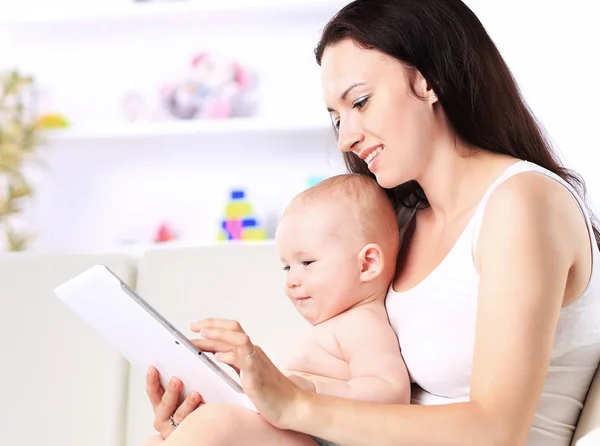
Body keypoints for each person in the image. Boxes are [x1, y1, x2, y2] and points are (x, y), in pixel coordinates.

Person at [143, 0, 600, 445]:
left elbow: (496, 431)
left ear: (429, 81)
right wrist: (241, 403)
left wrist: (293, 405)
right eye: (335, 117)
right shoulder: (398, 223)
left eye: (360, 102)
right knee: (212, 428)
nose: (346, 136)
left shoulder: (521, 202)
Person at [141, 173, 411, 446]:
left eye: (307, 262)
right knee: (158, 440)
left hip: (326, 439)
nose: (292, 280)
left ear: (367, 264)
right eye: (287, 267)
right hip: (299, 432)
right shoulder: (334, 326)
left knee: (217, 422)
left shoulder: (363, 323)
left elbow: (392, 394)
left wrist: (308, 390)